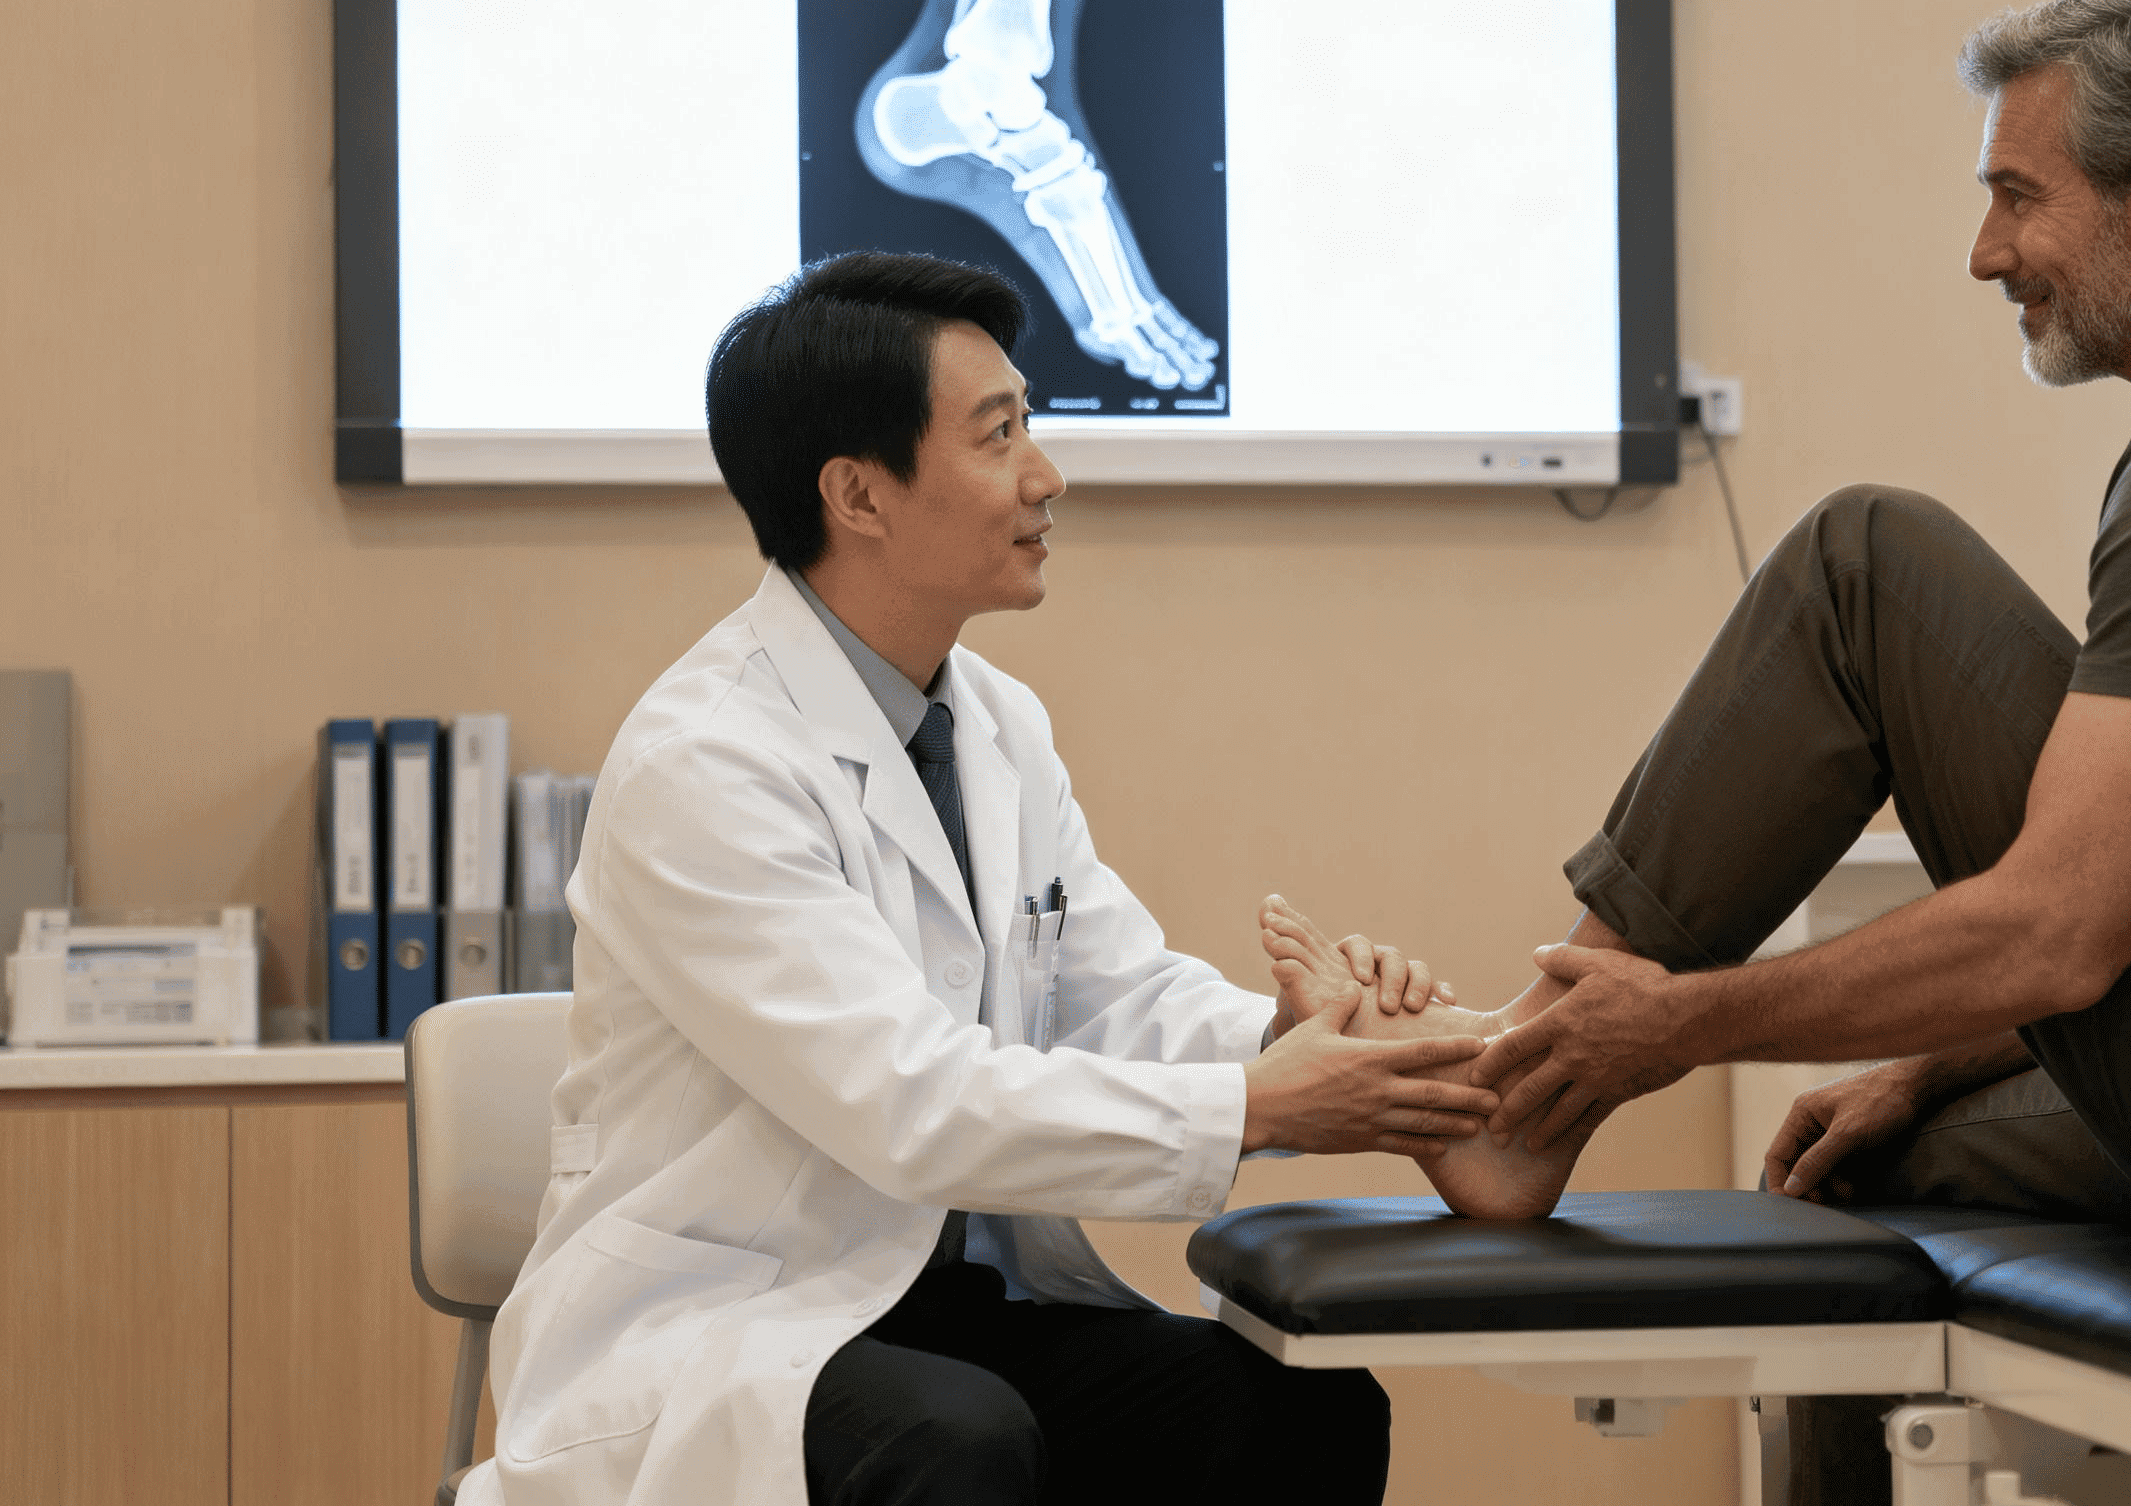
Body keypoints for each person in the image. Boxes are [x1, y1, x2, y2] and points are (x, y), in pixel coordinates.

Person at [1369, 0, 2131, 1245]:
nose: (1986, 253)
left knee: (1866, 563)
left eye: (2021, 197)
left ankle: (1516, 1084)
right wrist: (1923, 1063)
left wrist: (1670, 1028)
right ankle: (1536, 1071)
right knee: (1867, 1158)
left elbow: (2062, 930)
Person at [462, 252, 1504, 1506]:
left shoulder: (996, 723)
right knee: (952, 1441)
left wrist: (1302, 1030)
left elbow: (1108, 995)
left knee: (1294, 1409)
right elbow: (907, 1098)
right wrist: (1265, 1106)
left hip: (950, 1304)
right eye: (998, 433)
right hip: (741, 1319)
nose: (1045, 474)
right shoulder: (705, 760)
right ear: (858, 492)